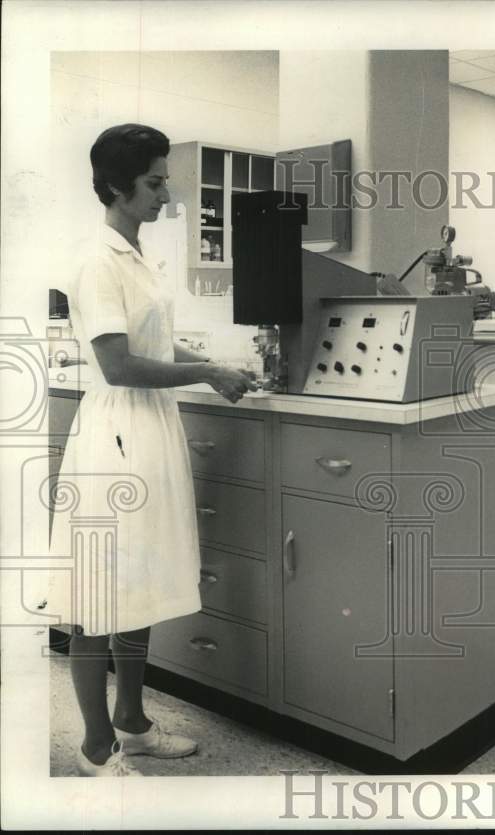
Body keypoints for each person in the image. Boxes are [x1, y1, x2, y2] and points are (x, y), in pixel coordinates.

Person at [49, 124, 257, 776]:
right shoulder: (96, 261)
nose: (168, 192)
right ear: (116, 185)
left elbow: (159, 350)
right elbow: (118, 365)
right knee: (96, 596)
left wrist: (216, 363)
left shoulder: (139, 256)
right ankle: (95, 745)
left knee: (133, 588)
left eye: (165, 178)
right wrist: (205, 374)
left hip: (149, 431)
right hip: (115, 436)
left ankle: (132, 722)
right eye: (155, 181)